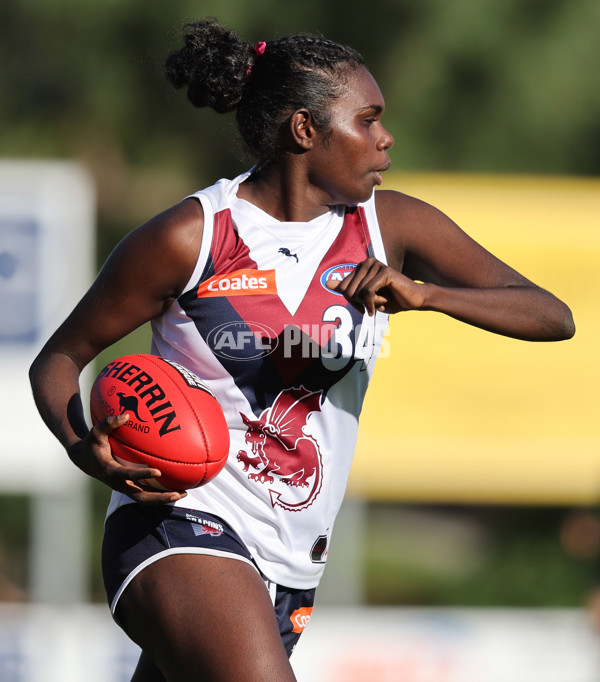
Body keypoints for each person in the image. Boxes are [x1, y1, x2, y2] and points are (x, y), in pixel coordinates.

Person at [29, 18, 575, 682]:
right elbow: (59, 357)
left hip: (290, 562)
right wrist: (81, 444)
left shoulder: (392, 226)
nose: (385, 137)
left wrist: (428, 296)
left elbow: (551, 315)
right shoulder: (192, 237)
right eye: (368, 120)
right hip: (179, 525)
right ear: (305, 131)